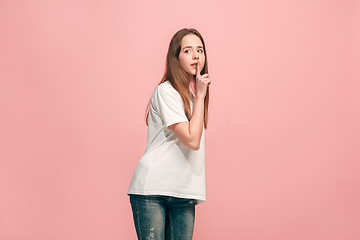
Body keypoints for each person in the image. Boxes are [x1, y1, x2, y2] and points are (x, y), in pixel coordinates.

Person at [127, 28, 211, 240]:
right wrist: (200, 97)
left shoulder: (193, 98)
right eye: (188, 50)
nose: (195, 56)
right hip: (153, 191)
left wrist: (198, 97)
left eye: (200, 50)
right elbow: (192, 140)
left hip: (184, 192)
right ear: (176, 57)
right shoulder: (166, 92)